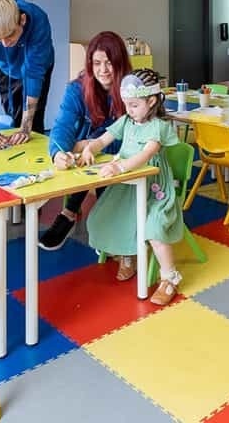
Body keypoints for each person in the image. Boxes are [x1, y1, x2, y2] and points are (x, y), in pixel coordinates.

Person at [79, 69, 184, 306]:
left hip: (154, 187)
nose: (129, 110)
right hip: (126, 185)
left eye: (134, 105)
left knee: (154, 227)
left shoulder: (159, 127)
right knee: (108, 215)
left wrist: (120, 167)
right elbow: (104, 138)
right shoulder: (126, 120)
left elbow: (146, 155)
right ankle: (128, 254)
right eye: (126, 104)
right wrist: (90, 148)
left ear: (152, 101)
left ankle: (169, 277)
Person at [38, 31, 131, 251]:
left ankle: (75, 215)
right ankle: (73, 215)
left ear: (119, 62)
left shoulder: (131, 89)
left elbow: (137, 134)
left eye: (109, 63)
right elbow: (63, 126)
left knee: (102, 165)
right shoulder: (77, 89)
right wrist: (58, 152)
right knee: (82, 157)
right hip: (88, 156)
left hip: (123, 158)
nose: (103, 70)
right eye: (97, 63)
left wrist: (90, 144)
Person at [0, 0, 54, 148]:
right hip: (7, 67)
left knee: (32, 124)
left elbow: (33, 75)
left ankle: (34, 164)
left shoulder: (38, 19)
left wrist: (25, 129)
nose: (5, 44)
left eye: (9, 35)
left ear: (22, 20)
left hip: (38, 65)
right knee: (13, 115)